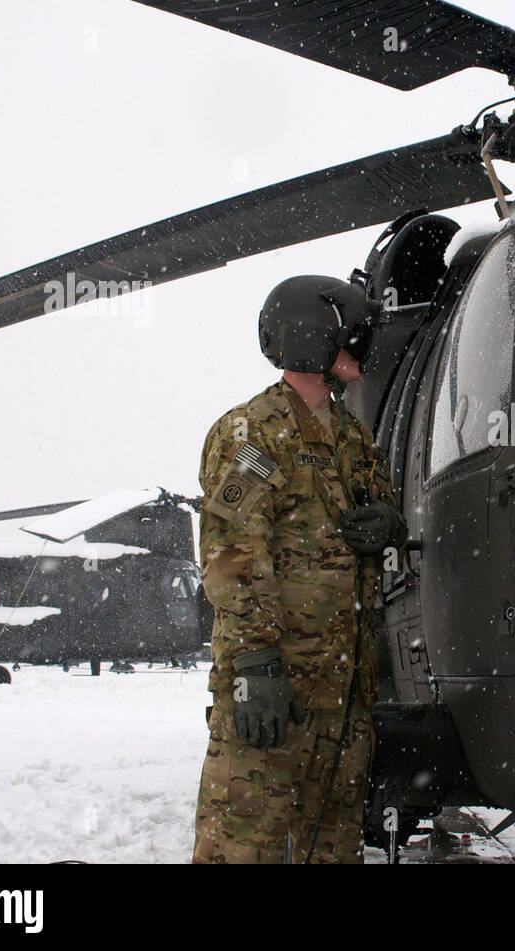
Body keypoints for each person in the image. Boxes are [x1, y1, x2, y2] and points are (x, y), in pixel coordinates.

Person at [192, 275, 407, 864]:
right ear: (314, 340)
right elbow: (230, 552)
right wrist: (257, 664)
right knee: (244, 845)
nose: (363, 349)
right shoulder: (254, 433)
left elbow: (381, 524)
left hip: (345, 692)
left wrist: (391, 527)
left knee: (332, 848)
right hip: (277, 685)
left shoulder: (355, 440)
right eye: (351, 337)